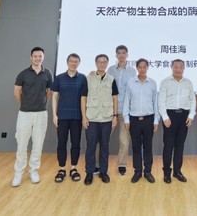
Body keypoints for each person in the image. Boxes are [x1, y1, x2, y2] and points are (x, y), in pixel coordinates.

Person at [11, 47, 53, 187]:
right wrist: (25, 105)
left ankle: (33, 171)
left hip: (41, 114)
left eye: (40, 56)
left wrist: (41, 102)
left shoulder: (48, 73)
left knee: (38, 144)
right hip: (25, 114)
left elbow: (49, 92)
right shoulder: (23, 74)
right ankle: (18, 173)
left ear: (43, 57)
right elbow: (16, 92)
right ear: (31, 57)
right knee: (21, 145)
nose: (37, 58)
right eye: (35, 56)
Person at [82, 54, 119, 185]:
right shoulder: (88, 78)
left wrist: (115, 116)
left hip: (106, 118)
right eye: (100, 62)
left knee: (104, 146)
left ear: (107, 64)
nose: (102, 64)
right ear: (96, 63)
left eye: (104, 62)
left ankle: (103, 171)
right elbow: (83, 98)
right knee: (91, 147)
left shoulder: (111, 79)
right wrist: (84, 117)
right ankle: (89, 172)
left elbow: (115, 98)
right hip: (91, 118)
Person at [51, 53, 88, 183]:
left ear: (79, 63)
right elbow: (55, 96)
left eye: (76, 61)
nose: (73, 63)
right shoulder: (59, 78)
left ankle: (73, 168)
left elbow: (84, 98)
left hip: (77, 117)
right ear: (67, 62)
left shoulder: (82, 78)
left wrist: (84, 116)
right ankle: (61, 169)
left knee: (75, 143)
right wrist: (54, 115)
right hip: (62, 116)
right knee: (61, 143)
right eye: (71, 61)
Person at [158, 59, 195, 184]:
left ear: (184, 68)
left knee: (180, 146)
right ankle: (166, 173)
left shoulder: (188, 83)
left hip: (184, 116)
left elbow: (192, 100)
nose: (178, 69)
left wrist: (191, 116)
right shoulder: (165, 82)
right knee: (168, 146)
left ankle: (177, 171)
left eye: (180, 67)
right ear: (171, 67)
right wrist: (165, 117)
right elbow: (161, 100)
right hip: (170, 116)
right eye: (176, 67)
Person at [123, 58, 159, 183]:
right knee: (136, 147)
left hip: (149, 119)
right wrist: (126, 118)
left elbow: (155, 102)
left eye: (145, 67)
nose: (142, 69)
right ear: (137, 68)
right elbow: (127, 100)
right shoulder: (131, 82)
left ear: (147, 68)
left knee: (148, 147)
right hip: (134, 120)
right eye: (140, 67)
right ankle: (137, 171)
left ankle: (148, 171)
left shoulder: (152, 83)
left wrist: (156, 120)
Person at [107, 45, 136, 175]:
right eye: (119, 53)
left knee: (124, 141)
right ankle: (100, 164)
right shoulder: (110, 69)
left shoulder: (132, 71)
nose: (121, 55)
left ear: (127, 55)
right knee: (103, 139)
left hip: (125, 111)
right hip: (110, 110)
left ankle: (122, 165)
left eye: (123, 53)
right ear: (116, 55)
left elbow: (132, 91)